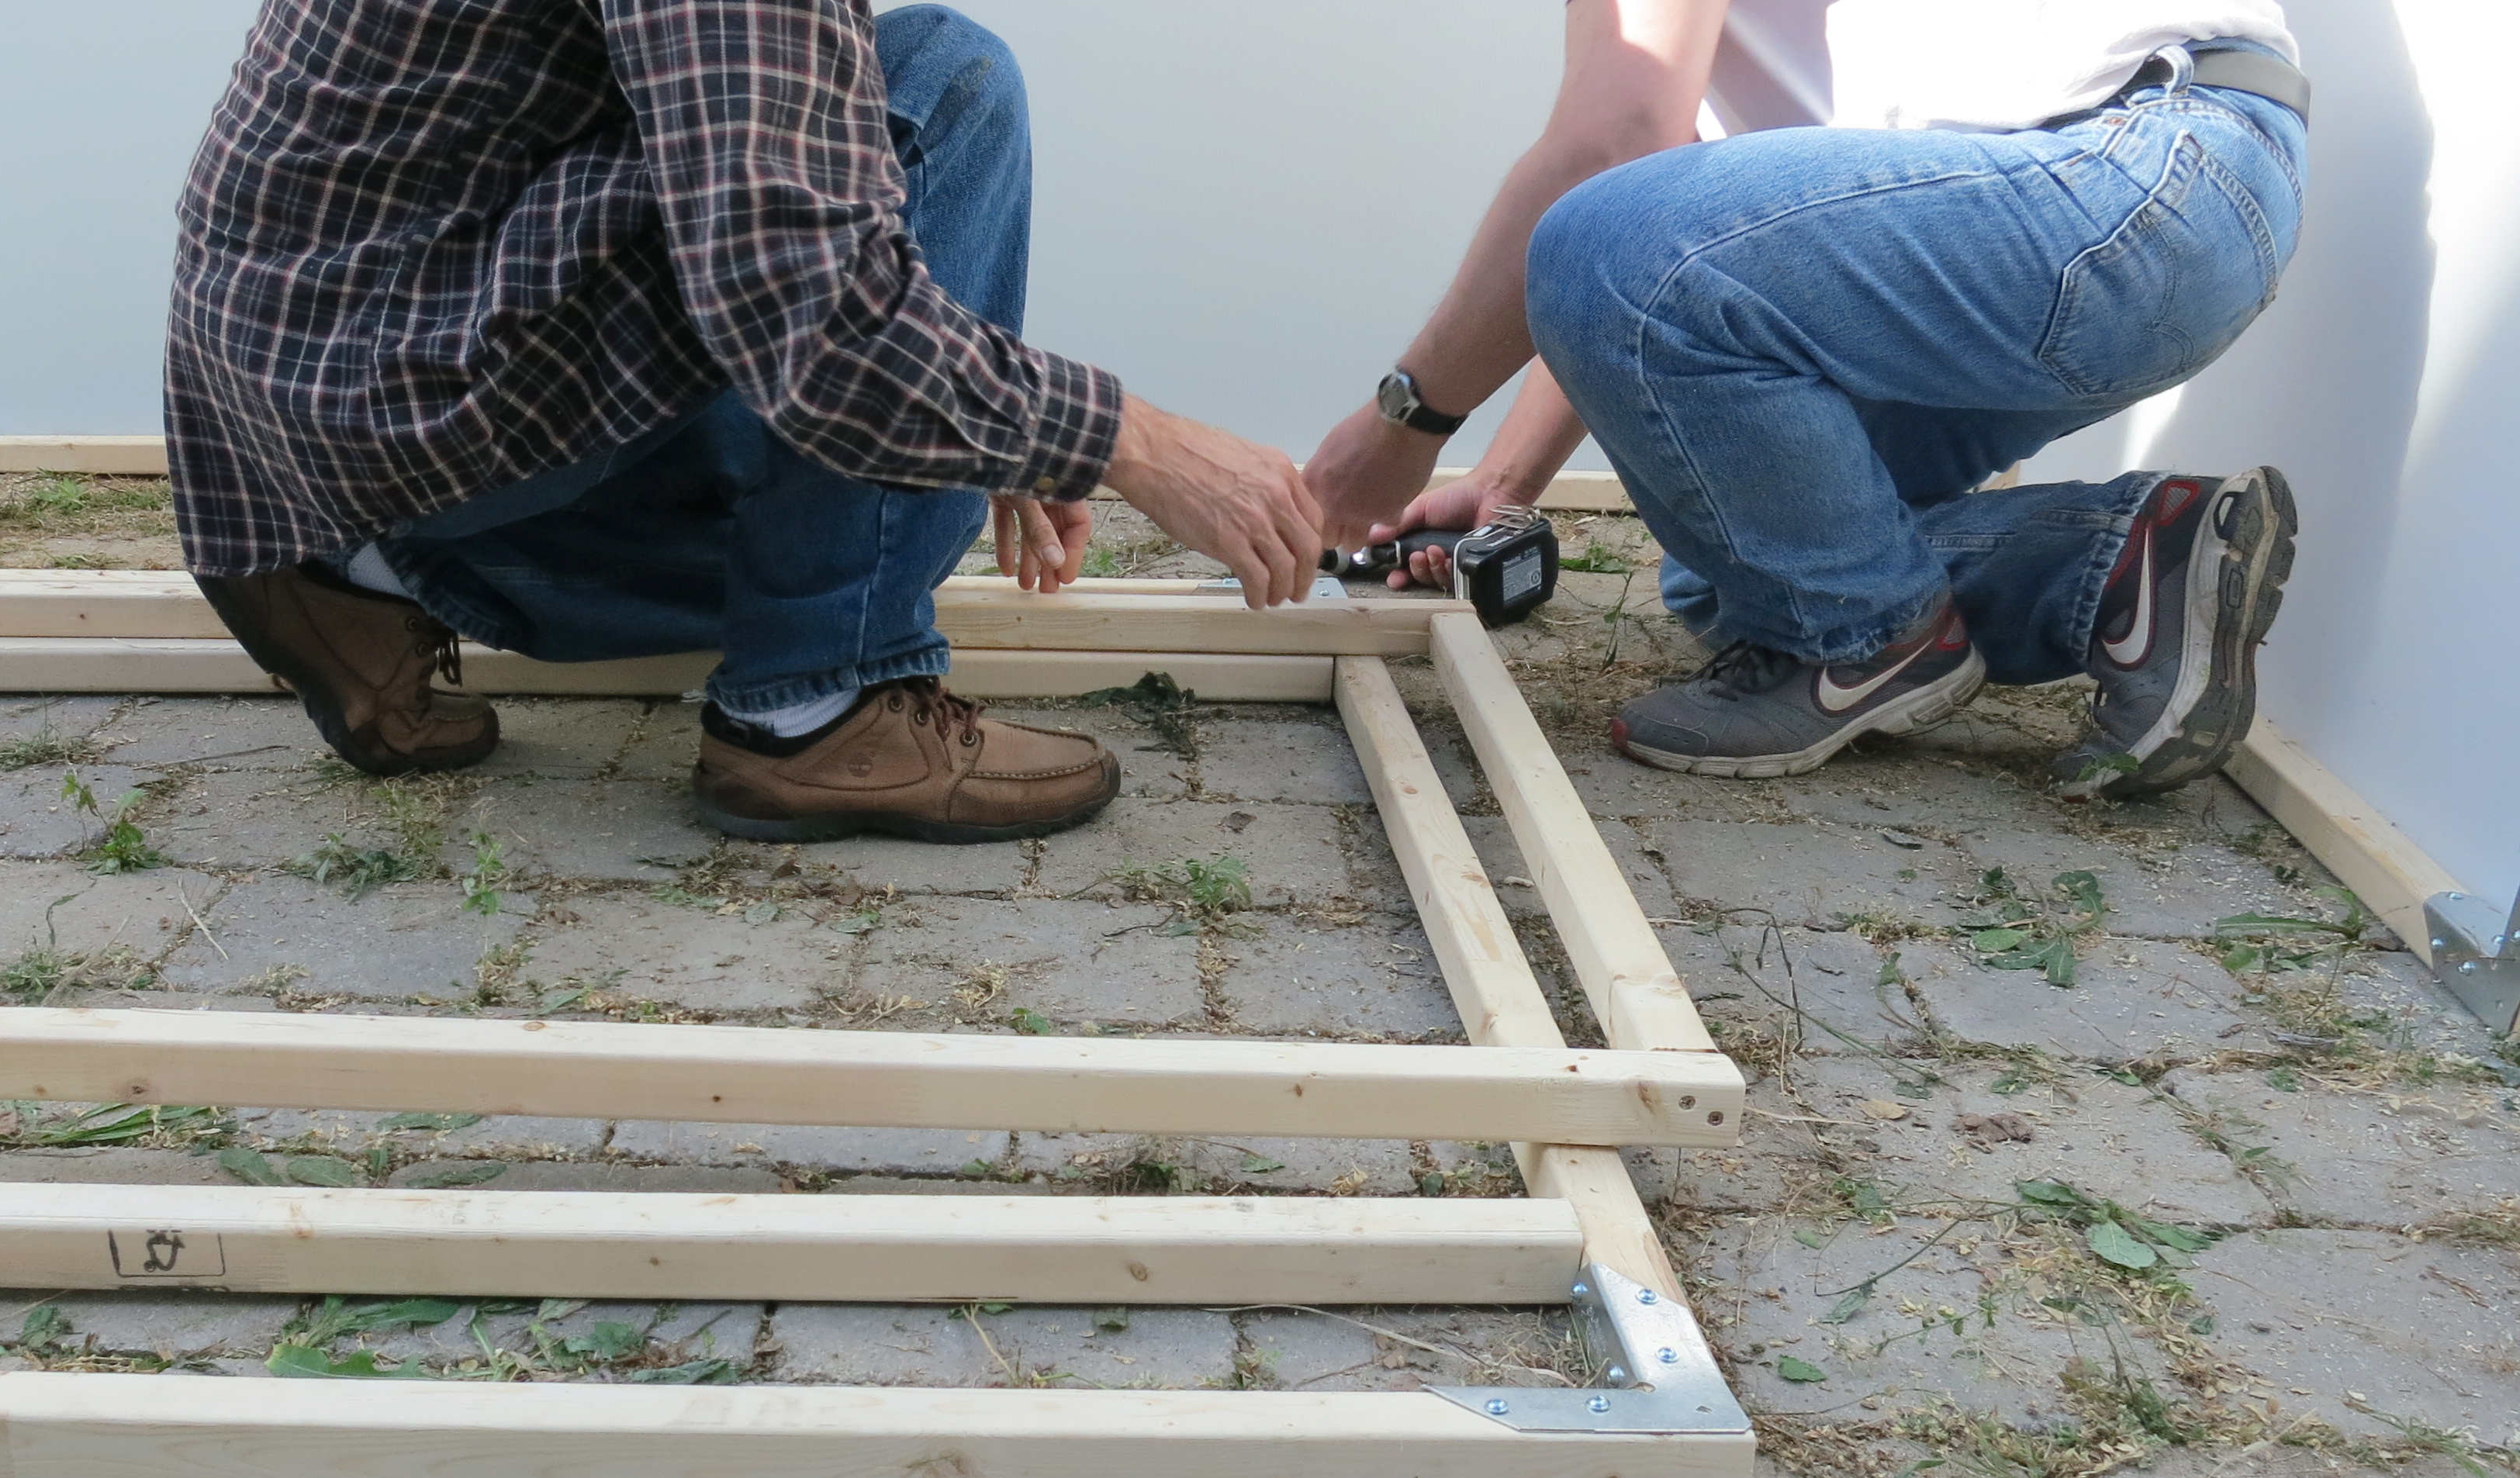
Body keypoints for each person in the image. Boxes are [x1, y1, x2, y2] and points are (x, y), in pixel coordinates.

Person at [165, 0, 1325, 844]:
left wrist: (973, 416)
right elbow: (805, 305)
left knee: (859, 138)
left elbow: (760, 166)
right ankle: (822, 707)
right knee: (946, 76)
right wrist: (1132, 439)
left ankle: (369, 576)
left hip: (302, 405)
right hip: (409, 394)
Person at [1305, 0, 2307, 799]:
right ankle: (2130, 559)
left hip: (2119, 180)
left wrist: (1408, 420)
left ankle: (1878, 642)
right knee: (1740, 570)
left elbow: (1614, 152)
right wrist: (1502, 484)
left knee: (1609, 245)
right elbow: (1659, 261)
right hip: (2176, 204)